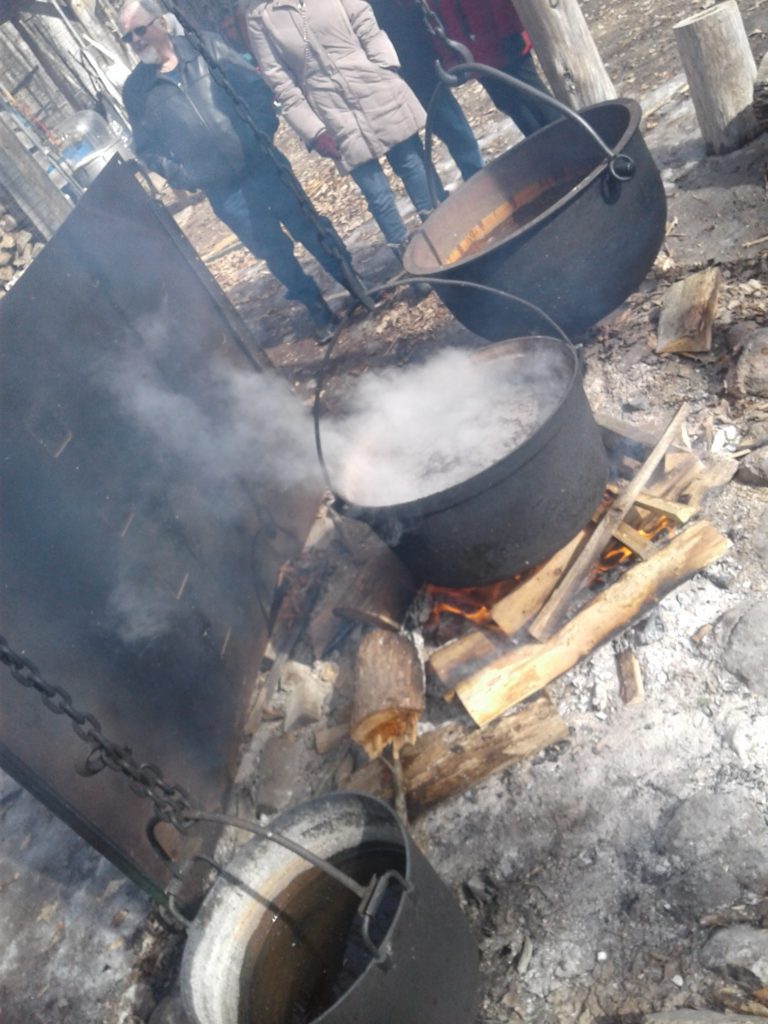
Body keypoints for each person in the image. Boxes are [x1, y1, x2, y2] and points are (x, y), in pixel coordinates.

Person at [117, 0, 358, 336]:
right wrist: (188, 176)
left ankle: (356, 286)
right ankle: (318, 311)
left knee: (311, 229)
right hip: (224, 190)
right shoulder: (136, 91)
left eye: (140, 30)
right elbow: (147, 149)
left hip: (262, 164)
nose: (136, 41)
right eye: (127, 38)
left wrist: (259, 134)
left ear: (161, 23)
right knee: (273, 252)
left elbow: (255, 89)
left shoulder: (206, 46)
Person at [245, 0, 436, 251]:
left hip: (374, 85)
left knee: (411, 164)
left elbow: (365, 23)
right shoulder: (261, 16)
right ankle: (409, 259)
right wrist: (314, 131)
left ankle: (442, 234)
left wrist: (385, 66)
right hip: (330, 110)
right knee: (376, 194)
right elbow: (278, 79)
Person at [368, 0, 484, 184]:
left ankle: (477, 177)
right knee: (412, 152)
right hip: (381, 71)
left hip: (415, 56)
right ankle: (438, 200)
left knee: (451, 125)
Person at [430, 0, 560, 137]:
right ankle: (547, 152)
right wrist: (450, 55)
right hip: (472, 50)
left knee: (537, 101)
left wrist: (509, 29)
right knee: (512, 106)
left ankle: (573, 141)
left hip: (501, 40)